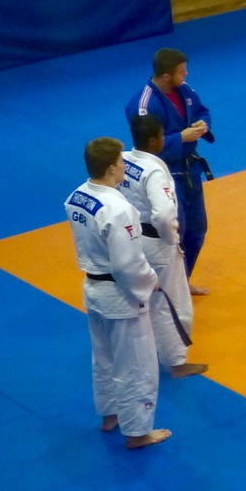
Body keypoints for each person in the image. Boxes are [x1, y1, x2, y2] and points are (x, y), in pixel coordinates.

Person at [67, 137, 170, 449]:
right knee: (137, 365)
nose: (125, 166)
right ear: (112, 168)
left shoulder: (77, 196)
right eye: (122, 163)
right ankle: (138, 432)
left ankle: (110, 414)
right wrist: (149, 280)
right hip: (119, 295)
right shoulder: (118, 208)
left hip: (93, 288)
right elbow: (127, 263)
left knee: (104, 357)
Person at [119, 115, 208, 379]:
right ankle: (177, 362)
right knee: (173, 302)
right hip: (156, 242)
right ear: (154, 141)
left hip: (130, 238)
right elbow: (163, 215)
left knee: (141, 297)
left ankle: (141, 353)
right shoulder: (155, 171)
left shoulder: (124, 159)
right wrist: (171, 240)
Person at [126, 47, 213, 289]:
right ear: (166, 76)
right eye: (182, 71)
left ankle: (182, 282)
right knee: (176, 231)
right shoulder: (143, 105)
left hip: (189, 169)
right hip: (163, 171)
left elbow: (202, 110)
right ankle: (168, 287)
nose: (186, 75)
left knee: (197, 228)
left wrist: (202, 124)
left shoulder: (184, 90)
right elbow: (145, 147)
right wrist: (181, 138)